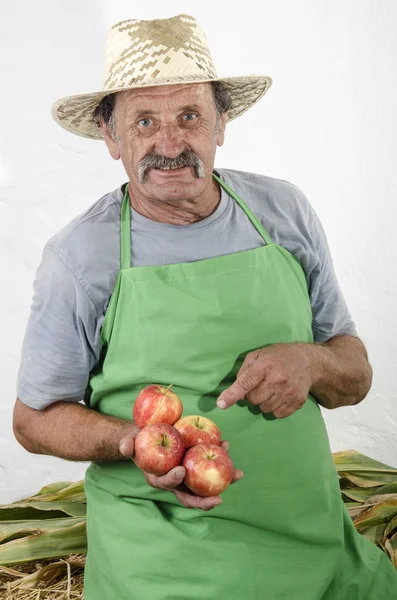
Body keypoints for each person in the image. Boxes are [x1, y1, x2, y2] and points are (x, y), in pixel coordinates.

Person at [12, 13, 397, 600]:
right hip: (167, 567)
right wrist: (128, 442)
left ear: (222, 123)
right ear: (111, 136)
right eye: (145, 121)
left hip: (315, 546)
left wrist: (314, 363)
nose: (170, 144)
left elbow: (356, 374)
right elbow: (32, 422)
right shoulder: (79, 258)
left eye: (189, 116)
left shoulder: (283, 212)